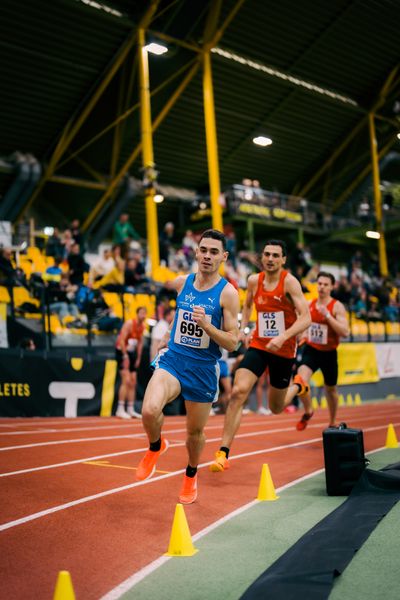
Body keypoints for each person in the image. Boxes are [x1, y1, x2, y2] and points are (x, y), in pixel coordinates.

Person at [135, 229, 239, 504]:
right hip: (174, 360)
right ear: (196, 251)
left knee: (194, 434)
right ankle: (156, 447)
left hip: (203, 369)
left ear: (223, 257)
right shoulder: (184, 283)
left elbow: (233, 343)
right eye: (203, 249)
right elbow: (180, 316)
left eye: (214, 252)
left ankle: (191, 474)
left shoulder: (228, 293)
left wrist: (207, 326)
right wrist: (169, 335)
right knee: (149, 410)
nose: (207, 255)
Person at [210, 239, 311, 472]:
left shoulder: (290, 283)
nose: (270, 259)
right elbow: (246, 306)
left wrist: (284, 337)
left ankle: (298, 386)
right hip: (259, 345)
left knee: (276, 407)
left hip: (283, 350)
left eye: (276, 255)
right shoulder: (254, 281)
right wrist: (244, 329)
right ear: (262, 257)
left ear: (283, 259)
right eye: (267, 254)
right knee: (237, 392)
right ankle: (222, 453)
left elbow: (305, 317)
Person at [283, 271, 349, 430]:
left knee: (331, 389)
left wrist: (327, 316)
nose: (322, 287)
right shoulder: (309, 304)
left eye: (326, 284)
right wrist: (303, 334)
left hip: (329, 354)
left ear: (332, 287)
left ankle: (332, 421)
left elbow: (345, 332)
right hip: (312, 350)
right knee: (300, 379)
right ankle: (308, 410)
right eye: (319, 284)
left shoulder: (337, 306)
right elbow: (303, 326)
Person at [115, 306, 147, 419]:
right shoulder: (129, 323)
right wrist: (124, 356)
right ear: (137, 313)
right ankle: (120, 409)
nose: (143, 315)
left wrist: (138, 358)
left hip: (132, 353)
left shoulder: (142, 327)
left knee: (133, 381)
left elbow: (140, 343)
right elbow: (122, 340)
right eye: (142, 313)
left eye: (145, 313)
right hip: (122, 352)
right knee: (126, 380)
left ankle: (130, 409)